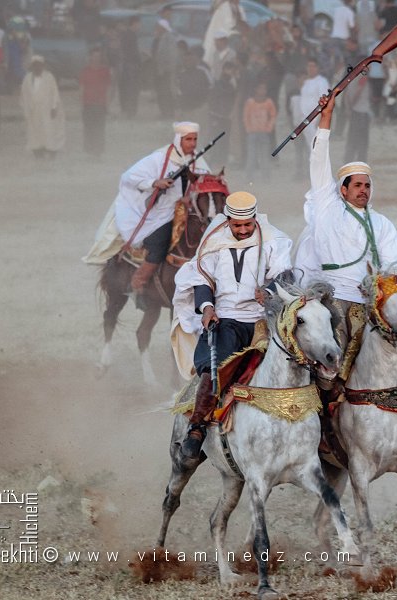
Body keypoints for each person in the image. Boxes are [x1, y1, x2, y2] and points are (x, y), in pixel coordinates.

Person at [172, 192, 293, 459]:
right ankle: (197, 428)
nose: (242, 230)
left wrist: (270, 289)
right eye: (237, 226)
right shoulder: (214, 241)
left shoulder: (274, 239)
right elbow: (202, 278)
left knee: (299, 357)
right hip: (226, 319)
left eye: (247, 225)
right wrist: (207, 308)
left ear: (254, 219)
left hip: (263, 320)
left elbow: (285, 273)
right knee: (215, 366)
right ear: (228, 221)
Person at [294, 93, 397, 347]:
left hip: (370, 303)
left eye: (367, 185)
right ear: (343, 190)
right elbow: (318, 160)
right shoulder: (329, 208)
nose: (364, 190)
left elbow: (393, 263)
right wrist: (327, 116)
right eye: (357, 185)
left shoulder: (381, 223)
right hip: (331, 300)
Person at [114, 122, 211, 294]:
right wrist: (154, 183)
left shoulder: (199, 161)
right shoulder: (158, 158)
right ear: (179, 139)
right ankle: (139, 281)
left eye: (195, 139)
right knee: (160, 241)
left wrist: (192, 197)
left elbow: (206, 187)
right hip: (162, 214)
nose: (193, 144)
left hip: (190, 213)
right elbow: (129, 177)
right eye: (188, 139)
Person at [20, 55, 65, 158]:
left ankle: (52, 150)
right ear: (32, 66)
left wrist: (54, 107)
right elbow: (24, 94)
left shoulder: (49, 77)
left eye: (39, 65)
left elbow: (55, 93)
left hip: (47, 109)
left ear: (43, 66)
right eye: (35, 65)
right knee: (35, 131)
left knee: (49, 130)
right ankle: (37, 150)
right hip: (33, 110)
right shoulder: (27, 78)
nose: (37, 67)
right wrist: (26, 108)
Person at [79, 48, 111, 157]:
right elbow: (81, 88)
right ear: (90, 57)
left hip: (100, 104)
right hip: (88, 104)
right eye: (94, 56)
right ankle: (90, 149)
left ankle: (98, 151)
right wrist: (81, 104)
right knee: (89, 128)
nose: (96, 59)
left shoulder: (104, 71)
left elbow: (108, 88)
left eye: (98, 56)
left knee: (99, 128)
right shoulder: (85, 71)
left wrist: (107, 104)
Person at [243, 81, 276, 175]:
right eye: (260, 88)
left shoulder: (269, 102)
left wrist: (269, 127)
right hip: (252, 133)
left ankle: (266, 176)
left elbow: (273, 115)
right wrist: (248, 128)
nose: (262, 91)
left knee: (265, 156)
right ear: (255, 89)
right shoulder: (250, 102)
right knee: (251, 156)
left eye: (264, 89)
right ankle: (249, 176)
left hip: (264, 132)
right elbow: (246, 116)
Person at [152, 18, 178, 119]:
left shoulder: (169, 38)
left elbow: (171, 55)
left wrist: (168, 68)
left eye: (158, 27)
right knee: (161, 92)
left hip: (166, 71)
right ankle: (164, 112)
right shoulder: (161, 37)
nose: (156, 29)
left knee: (166, 92)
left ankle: (168, 113)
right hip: (161, 70)